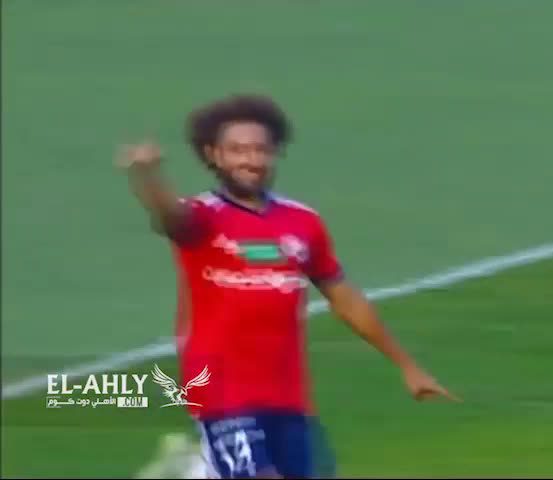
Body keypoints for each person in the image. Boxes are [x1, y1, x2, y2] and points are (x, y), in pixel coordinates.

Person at [118, 94, 458, 479]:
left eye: (260, 149)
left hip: (287, 393)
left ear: (275, 151)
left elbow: (345, 299)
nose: (251, 160)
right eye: (237, 150)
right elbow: (169, 216)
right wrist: (148, 177)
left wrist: (406, 365)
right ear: (213, 155)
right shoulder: (203, 217)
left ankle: (200, 469)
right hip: (219, 388)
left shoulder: (302, 221)